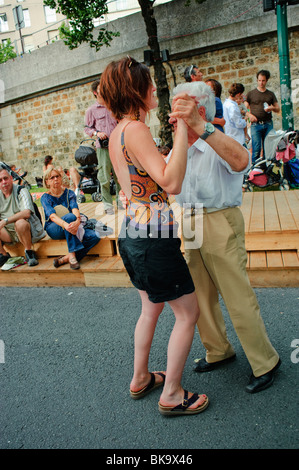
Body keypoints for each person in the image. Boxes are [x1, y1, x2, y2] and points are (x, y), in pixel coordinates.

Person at [99, 56, 209, 416]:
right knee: (188, 313)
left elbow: (152, 171)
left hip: (132, 233)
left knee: (151, 308)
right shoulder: (135, 129)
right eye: (148, 84)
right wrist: (180, 126)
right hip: (152, 237)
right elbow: (171, 181)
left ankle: (141, 377)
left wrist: (184, 141)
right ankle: (173, 394)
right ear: (137, 90)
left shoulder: (119, 132)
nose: (153, 90)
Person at [169, 81, 281, 394]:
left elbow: (242, 161)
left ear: (200, 109)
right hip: (188, 220)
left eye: (182, 106)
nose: (174, 113)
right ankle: (218, 350)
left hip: (218, 219)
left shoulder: (217, 138)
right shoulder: (182, 146)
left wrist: (199, 126)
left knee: (237, 296)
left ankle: (265, 361)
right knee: (199, 296)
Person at [41, 167, 100, 270]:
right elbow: (52, 216)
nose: (55, 179)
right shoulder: (45, 197)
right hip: (55, 228)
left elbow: (75, 208)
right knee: (69, 216)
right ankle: (72, 255)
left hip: (71, 226)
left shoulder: (69, 193)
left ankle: (66, 258)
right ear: (47, 181)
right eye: (52, 177)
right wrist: (66, 225)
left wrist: (77, 221)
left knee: (95, 236)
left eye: (57, 176)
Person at [84, 79, 121, 215]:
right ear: (95, 92)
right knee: (104, 176)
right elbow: (87, 128)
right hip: (103, 148)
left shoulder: (114, 106)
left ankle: (121, 202)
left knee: (120, 175)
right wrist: (97, 133)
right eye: (101, 89)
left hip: (117, 145)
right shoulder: (91, 110)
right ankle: (107, 204)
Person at [0, 165, 45, 267]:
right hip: (8, 233)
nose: (3, 182)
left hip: (28, 230)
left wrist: (5, 221)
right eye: (0, 180)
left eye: (5, 178)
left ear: (11, 179)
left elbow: (26, 213)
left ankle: (29, 252)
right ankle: (3, 254)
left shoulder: (21, 190)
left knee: (20, 223)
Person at [245, 70, 280, 163]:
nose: (261, 83)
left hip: (268, 123)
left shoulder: (270, 94)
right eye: (259, 80)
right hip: (255, 125)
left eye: (263, 80)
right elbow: (243, 109)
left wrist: (272, 108)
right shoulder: (251, 93)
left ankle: (265, 171)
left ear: (266, 80)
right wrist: (249, 115)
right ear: (257, 80)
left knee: (268, 149)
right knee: (256, 149)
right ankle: (254, 172)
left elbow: (278, 108)